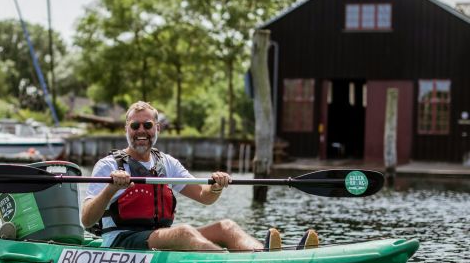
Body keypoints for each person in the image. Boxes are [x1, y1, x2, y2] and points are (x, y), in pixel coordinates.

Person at [81, 101, 320, 251]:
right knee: (185, 232)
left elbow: (205, 197)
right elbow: (87, 220)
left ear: (157, 129)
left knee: (226, 226)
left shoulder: (167, 163)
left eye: (147, 125)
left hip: (158, 238)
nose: (141, 131)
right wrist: (110, 188)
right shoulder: (108, 165)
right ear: (126, 130)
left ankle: (265, 259)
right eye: (135, 126)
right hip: (123, 241)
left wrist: (216, 186)